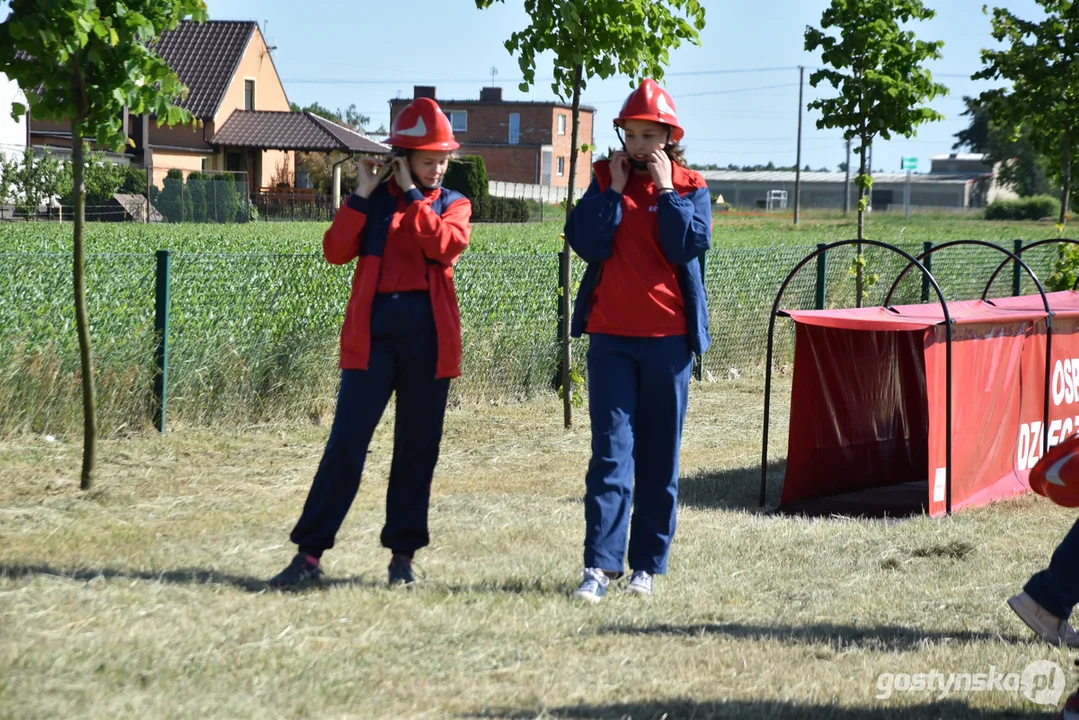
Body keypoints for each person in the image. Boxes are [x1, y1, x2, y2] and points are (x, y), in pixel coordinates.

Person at [268, 97, 471, 589]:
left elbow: (444, 245)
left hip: (427, 341)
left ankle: (402, 560)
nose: (439, 169)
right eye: (428, 161)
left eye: (443, 160)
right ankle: (309, 556)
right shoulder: (373, 202)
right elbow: (335, 251)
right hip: (372, 342)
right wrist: (362, 191)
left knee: (415, 451)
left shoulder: (452, 204)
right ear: (400, 156)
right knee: (345, 446)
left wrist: (413, 195)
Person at [564, 79, 712, 602]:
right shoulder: (606, 178)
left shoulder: (691, 185)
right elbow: (584, 242)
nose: (641, 143)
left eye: (652, 134)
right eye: (633, 133)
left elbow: (688, 244)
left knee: (659, 458)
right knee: (610, 454)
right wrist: (612, 190)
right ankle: (598, 569)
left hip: (668, 344)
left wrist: (668, 191)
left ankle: (646, 565)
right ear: (622, 133)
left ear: (669, 137)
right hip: (610, 342)